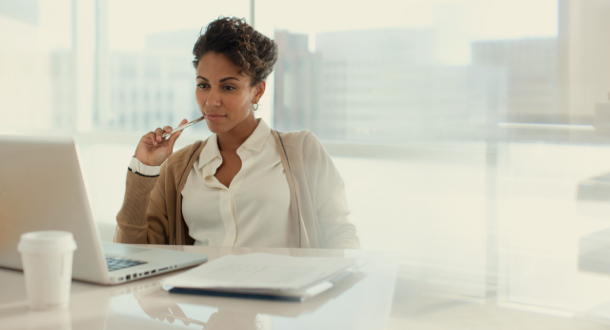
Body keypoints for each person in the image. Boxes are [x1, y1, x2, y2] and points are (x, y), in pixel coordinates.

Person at [114, 16, 359, 249]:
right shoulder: (178, 167)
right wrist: (145, 168)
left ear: (258, 91)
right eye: (203, 85)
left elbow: (340, 235)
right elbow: (133, 254)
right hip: (197, 293)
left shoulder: (302, 150)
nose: (211, 101)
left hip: (279, 292)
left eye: (228, 87)